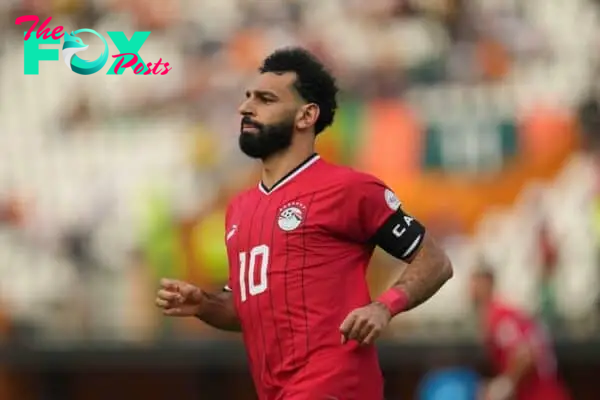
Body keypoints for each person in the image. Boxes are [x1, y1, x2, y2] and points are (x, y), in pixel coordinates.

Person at [155, 47, 453, 400]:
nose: (245, 108)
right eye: (248, 97)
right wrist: (204, 304)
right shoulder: (239, 208)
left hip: (336, 387)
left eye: (265, 99)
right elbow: (249, 309)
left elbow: (434, 261)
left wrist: (384, 305)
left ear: (306, 115)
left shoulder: (349, 189)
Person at [469, 265, 571, 400]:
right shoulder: (496, 313)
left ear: (488, 284)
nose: (473, 289)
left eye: (477, 283)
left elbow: (525, 355)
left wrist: (504, 385)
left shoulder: (500, 315)